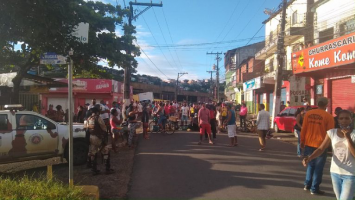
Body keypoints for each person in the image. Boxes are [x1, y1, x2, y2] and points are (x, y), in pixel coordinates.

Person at [303, 110, 355, 200]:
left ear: (352, 119)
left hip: (350, 173)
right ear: (337, 120)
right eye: (341, 118)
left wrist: (348, 138)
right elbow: (321, 149)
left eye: (347, 118)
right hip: (335, 172)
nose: (344, 121)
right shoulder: (331, 132)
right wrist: (309, 157)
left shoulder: (353, 134)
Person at [300, 97, 335, 195]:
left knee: (310, 164)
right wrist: (330, 146)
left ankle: (307, 184)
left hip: (308, 143)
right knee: (318, 168)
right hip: (320, 145)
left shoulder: (309, 114)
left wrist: (302, 141)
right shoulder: (328, 116)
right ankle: (314, 188)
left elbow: (304, 128)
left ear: (317, 103)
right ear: (326, 105)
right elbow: (330, 133)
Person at [85, 107, 114, 175]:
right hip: (98, 138)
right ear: (97, 111)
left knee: (93, 153)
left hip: (91, 137)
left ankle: (94, 170)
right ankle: (107, 169)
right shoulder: (98, 118)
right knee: (106, 151)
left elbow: (86, 128)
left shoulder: (89, 118)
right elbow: (104, 128)